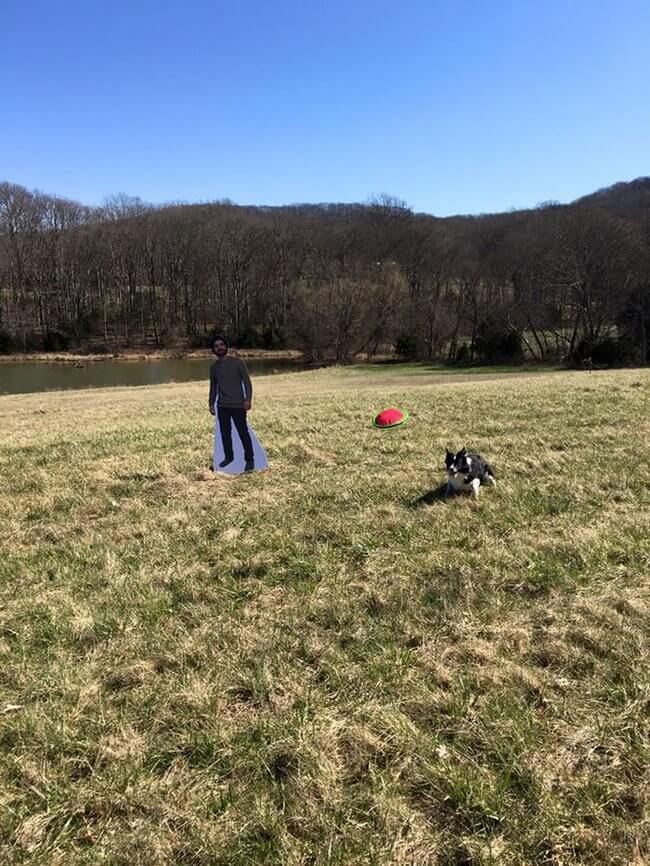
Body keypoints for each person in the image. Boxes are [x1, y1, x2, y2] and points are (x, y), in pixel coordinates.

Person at [208, 335, 255, 472]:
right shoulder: (214, 368)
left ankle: (250, 460)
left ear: (226, 346)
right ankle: (229, 457)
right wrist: (211, 403)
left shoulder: (238, 362)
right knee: (225, 434)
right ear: (213, 350)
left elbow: (247, 382)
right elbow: (213, 387)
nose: (219, 347)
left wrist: (248, 399)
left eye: (221, 344)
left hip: (238, 405)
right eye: (216, 346)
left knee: (243, 433)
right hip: (222, 406)